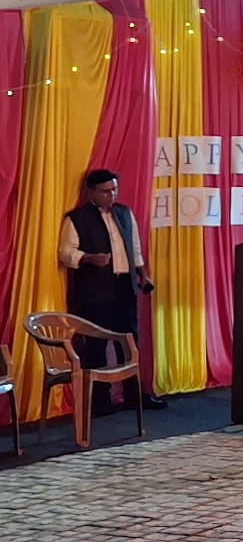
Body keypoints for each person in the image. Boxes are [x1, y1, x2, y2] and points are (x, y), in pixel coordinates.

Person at [58, 168, 167, 413]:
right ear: (91, 193)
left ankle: (133, 394)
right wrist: (89, 258)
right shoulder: (77, 218)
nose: (112, 195)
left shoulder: (124, 213)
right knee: (96, 343)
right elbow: (65, 252)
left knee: (129, 341)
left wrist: (142, 274)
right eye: (105, 191)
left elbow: (135, 249)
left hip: (124, 286)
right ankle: (100, 400)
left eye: (114, 190)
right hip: (95, 289)